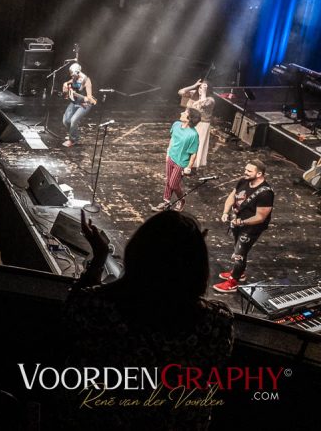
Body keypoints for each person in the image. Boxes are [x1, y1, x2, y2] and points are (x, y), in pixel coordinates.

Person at [61, 210, 233, 430]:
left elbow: (73, 312)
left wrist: (100, 257)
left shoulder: (96, 308)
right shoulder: (216, 322)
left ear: (136, 255)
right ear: (196, 266)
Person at [214, 160, 274, 292]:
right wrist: (225, 212)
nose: (245, 172)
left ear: (259, 174)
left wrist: (242, 222)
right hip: (238, 222)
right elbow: (231, 197)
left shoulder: (265, 193)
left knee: (239, 254)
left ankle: (233, 282)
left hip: (252, 227)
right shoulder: (243, 181)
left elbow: (260, 217)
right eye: (246, 169)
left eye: (249, 171)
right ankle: (239, 273)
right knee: (238, 249)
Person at [152, 107, 200, 212]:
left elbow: (193, 153)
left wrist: (189, 167)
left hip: (181, 162)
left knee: (173, 183)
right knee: (168, 181)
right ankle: (166, 202)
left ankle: (181, 200)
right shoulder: (176, 125)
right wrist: (168, 152)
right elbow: (172, 139)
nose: (182, 113)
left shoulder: (193, 134)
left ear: (189, 118)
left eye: (185, 112)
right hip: (171, 157)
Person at [178, 78, 215, 170]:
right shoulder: (194, 94)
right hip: (189, 121)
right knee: (186, 141)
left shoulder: (210, 100)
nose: (200, 90)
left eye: (203, 88)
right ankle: (184, 159)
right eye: (200, 88)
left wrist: (204, 93)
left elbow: (202, 104)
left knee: (196, 144)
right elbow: (181, 92)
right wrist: (194, 86)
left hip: (202, 124)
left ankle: (192, 164)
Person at [61, 62, 96, 147]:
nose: (72, 77)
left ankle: (73, 139)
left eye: (74, 75)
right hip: (75, 102)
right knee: (66, 121)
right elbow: (68, 83)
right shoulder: (74, 78)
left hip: (85, 104)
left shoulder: (86, 80)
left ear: (78, 73)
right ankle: (73, 134)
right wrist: (65, 84)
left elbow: (89, 98)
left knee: (73, 120)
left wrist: (76, 94)